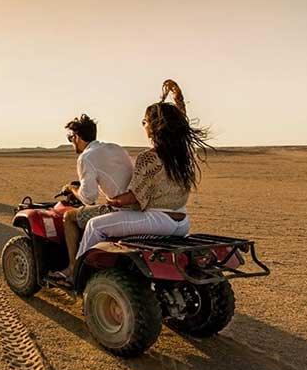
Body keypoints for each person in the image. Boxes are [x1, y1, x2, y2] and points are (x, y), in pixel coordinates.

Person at [76, 80, 211, 259]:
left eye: (144, 121)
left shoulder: (148, 157)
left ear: (155, 126)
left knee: (94, 225)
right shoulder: (182, 153)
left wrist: (113, 201)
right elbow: (179, 124)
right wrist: (179, 100)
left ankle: (76, 273)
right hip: (182, 222)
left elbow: (134, 198)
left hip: (157, 221)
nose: (143, 125)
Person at [50, 114, 134, 281]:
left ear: (77, 136)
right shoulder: (116, 148)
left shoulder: (86, 157)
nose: (71, 142)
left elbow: (88, 198)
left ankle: (73, 269)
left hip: (120, 208)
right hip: (137, 204)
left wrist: (72, 188)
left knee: (69, 216)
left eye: (70, 137)